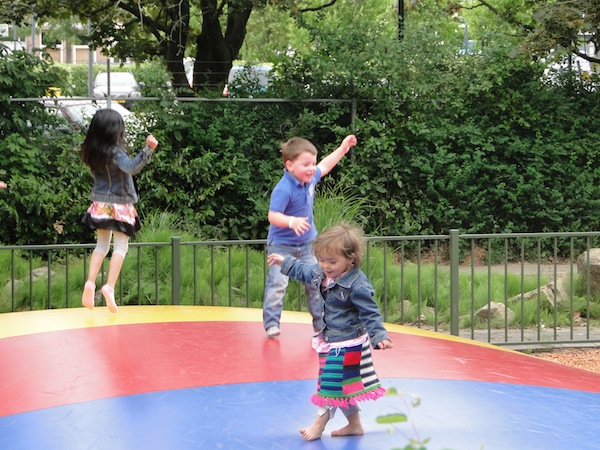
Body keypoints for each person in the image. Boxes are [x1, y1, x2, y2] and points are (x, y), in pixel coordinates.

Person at [268, 222, 393, 441]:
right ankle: (354, 424)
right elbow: (305, 271)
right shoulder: (322, 272)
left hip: (349, 343)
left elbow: (370, 312)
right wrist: (284, 261)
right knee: (341, 385)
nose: (325, 265)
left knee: (330, 384)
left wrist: (379, 335)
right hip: (330, 339)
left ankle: (319, 425)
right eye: (321, 259)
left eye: (332, 261)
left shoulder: (357, 284)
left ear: (350, 259)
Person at [263, 134, 357, 338]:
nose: (311, 168)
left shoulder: (310, 178)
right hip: (281, 246)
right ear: (289, 165)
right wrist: (291, 221)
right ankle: (272, 323)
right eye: (306, 164)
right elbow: (272, 215)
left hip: (306, 245)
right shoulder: (284, 188)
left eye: (312, 163)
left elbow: (325, 165)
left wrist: (342, 149)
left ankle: (321, 324)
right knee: (278, 285)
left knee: (316, 283)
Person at [80, 108, 158, 313]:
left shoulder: (92, 151)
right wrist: (147, 150)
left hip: (100, 204)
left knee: (101, 246)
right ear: (115, 130)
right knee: (121, 247)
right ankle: (109, 286)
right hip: (120, 204)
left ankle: (90, 282)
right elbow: (131, 168)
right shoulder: (116, 152)